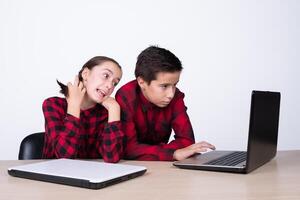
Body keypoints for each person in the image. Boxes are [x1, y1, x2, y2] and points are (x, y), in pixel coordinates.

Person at [116, 46, 215, 161]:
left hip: (162, 167)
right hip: (131, 167)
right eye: (164, 86)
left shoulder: (176, 97)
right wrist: (173, 154)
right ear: (141, 82)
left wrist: (161, 152)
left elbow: (187, 141)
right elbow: (128, 149)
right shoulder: (126, 96)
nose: (171, 94)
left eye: (175, 85)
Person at [42, 56, 124, 163]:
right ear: (85, 74)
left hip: (93, 175)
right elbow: (64, 157)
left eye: (115, 83)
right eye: (106, 76)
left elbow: (112, 158)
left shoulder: (106, 114)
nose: (110, 86)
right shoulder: (53, 105)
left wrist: (114, 109)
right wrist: (74, 106)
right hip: (55, 176)